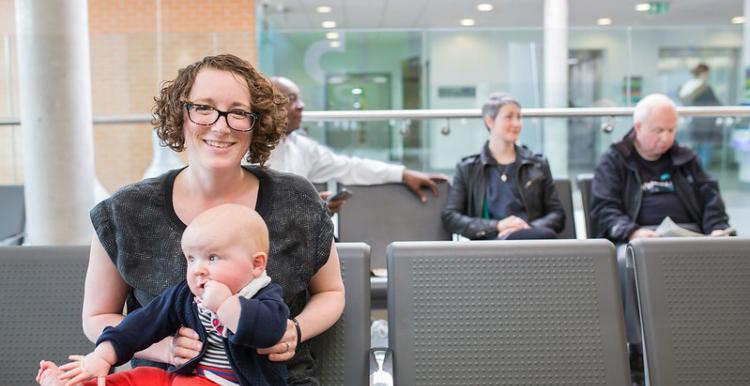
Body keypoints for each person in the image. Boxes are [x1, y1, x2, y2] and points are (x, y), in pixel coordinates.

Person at [79, 54, 344, 385]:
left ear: (256, 123)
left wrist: (296, 329)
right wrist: (164, 348)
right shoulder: (125, 210)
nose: (220, 126)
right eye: (203, 107)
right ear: (181, 115)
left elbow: (331, 292)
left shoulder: (297, 200)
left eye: (238, 112)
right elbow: (96, 316)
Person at [37, 204, 289, 386]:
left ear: (256, 264)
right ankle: (77, 383)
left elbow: (267, 332)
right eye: (191, 258)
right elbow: (143, 323)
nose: (198, 269)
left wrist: (225, 304)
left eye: (212, 257)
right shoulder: (186, 295)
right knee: (141, 377)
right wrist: (103, 355)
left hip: (231, 382)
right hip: (182, 376)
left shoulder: (265, 297)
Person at [590, 93, 732, 385]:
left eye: (671, 130)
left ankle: (717, 342)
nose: (665, 138)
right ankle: (637, 351)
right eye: (658, 130)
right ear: (638, 127)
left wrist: (717, 228)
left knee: (728, 251)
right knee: (624, 259)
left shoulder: (686, 159)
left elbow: (711, 200)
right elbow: (604, 208)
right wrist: (631, 231)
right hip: (640, 236)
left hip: (689, 233)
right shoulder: (615, 160)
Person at [268, 76, 446, 213]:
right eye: (292, 99)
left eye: (300, 99)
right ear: (269, 106)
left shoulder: (302, 147)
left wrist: (402, 174)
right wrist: (310, 208)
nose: (301, 106)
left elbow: (350, 168)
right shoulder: (249, 150)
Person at [442, 92, 565, 240]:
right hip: (491, 245)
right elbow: (451, 216)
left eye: (519, 117)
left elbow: (557, 214)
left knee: (540, 236)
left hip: (532, 239)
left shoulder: (537, 164)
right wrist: (497, 226)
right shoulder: (468, 168)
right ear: (489, 122)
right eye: (509, 117)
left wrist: (527, 228)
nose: (516, 123)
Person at [679, 63, 722, 169]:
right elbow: (717, 104)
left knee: (695, 152)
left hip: (694, 124)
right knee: (705, 153)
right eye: (707, 73)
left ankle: (694, 176)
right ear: (703, 73)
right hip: (707, 125)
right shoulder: (704, 88)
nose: (708, 75)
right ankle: (700, 177)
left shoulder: (687, 87)